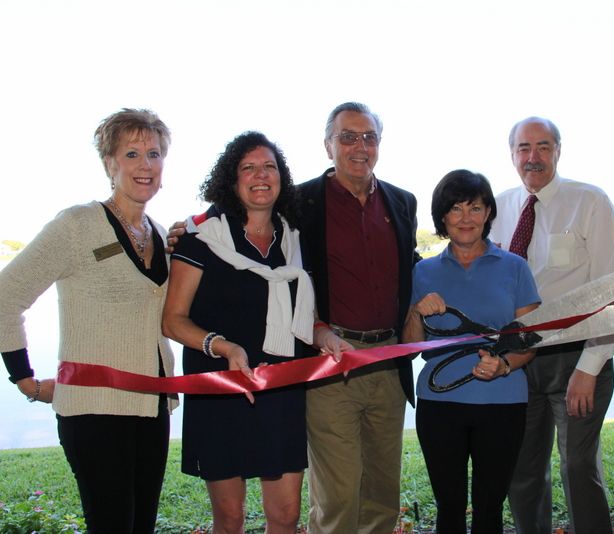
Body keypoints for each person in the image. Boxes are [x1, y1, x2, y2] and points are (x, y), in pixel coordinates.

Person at [162, 131, 350, 534]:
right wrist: (224, 347)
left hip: (281, 391)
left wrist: (326, 337)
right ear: (231, 179)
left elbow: (310, 319)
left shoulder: (296, 240)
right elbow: (173, 320)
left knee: (285, 517)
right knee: (230, 519)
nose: (260, 175)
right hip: (222, 390)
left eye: (269, 166)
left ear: (281, 177)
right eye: (248, 168)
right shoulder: (200, 238)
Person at [0, 108, 177, 533]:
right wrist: (24, 378)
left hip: (153, 411)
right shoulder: (77, 225)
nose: (145, 165)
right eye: (131, 153)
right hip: (95, 413)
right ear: (109, 163)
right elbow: (6, 296)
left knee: (141, 528)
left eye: (154, 154)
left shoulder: (159, 233)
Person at [488, 116, 614, 534]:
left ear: (558, 151)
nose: (533, 157)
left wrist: (590, 367)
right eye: (524, 148)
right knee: (522, 469)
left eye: (543, 146)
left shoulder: (591, 202)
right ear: (512, 155)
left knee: (579, 467)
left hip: (576, 359)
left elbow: (611, 291)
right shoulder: (498, 206)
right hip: (517, 361)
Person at [297, 102, 419, 534]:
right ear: (328, 144)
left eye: (369, 137)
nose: (359, 146)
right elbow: (252, 235)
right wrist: (190, 230)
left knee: (383, 491)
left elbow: (411, 266)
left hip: (389, 361)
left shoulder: (402, 202)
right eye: (348, 136)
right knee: (339, 494)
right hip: (332, 362)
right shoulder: (299, 202)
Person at [403, 169, 540, 534]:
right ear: (443, 217)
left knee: (489, 508)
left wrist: (504, 366)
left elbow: (529, 342)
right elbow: (410, 346)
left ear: (488, 213)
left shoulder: (515, 267)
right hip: (439, 404)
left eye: (475, 208)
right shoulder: (423, 272)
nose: (466, 218)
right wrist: (417, 310)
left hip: (503, 404)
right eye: (456, 209)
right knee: (448, 508)